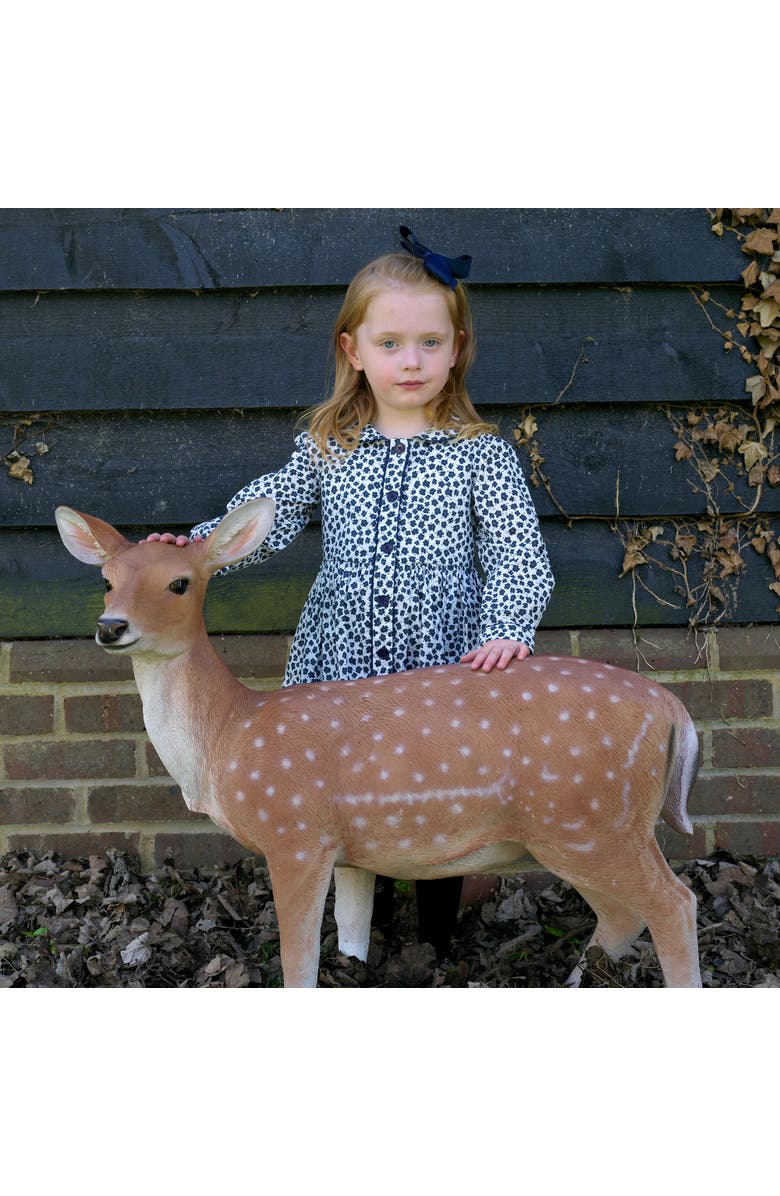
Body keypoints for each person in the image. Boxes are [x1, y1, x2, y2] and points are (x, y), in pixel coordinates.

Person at [148, 226, 554, 962]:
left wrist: (508, 627)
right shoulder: (328, 446)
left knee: (435, 794)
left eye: (430, 343)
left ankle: (435, 946)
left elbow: (516, 554)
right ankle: (356, 946)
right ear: (353, 350)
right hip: (342, 663)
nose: (411, 360)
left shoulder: (482, 455)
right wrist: (195, 548)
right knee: (347, 799)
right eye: (391, 343)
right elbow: (268, 514)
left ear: (457, 349)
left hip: (442, 661)